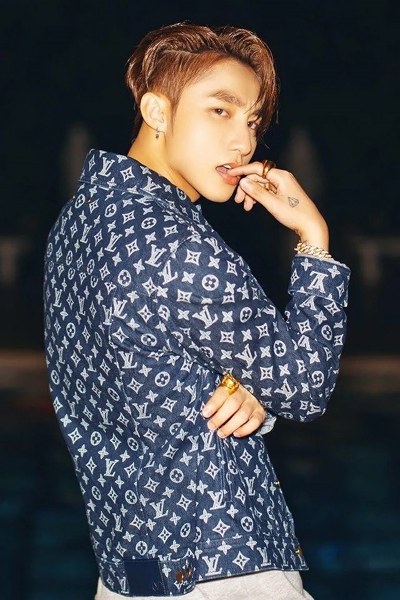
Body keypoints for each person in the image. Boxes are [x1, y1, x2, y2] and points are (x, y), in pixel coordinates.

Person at [43, 23, 350, 600]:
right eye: (220, 110)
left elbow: (142, 374)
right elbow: (306, 388)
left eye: (252, 120)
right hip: (221, 562)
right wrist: (313, 239)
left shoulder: (82, 217)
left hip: (130, 566)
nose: (243, 142)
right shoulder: (175, 242)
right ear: (156, 111)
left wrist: (249, 392)